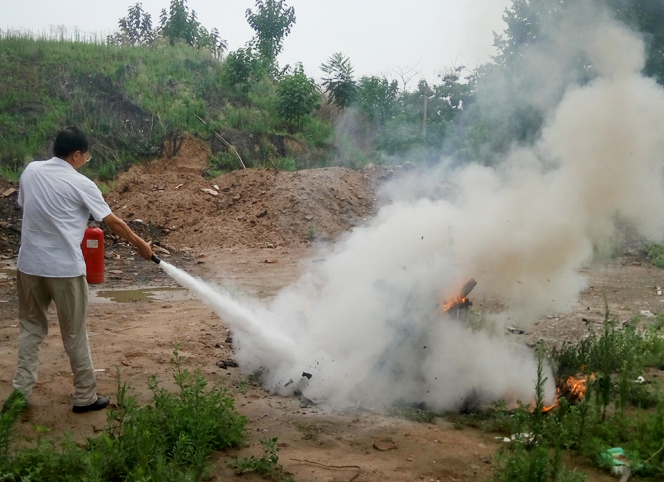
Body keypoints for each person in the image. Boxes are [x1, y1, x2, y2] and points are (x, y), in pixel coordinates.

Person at [13, 126, 153, 413]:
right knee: (74, 334)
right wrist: (140, 244)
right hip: (64, 269)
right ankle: (85, 397)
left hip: (29, 265)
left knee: (30, 329)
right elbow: (111, 222)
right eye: (86, 157)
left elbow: (28, 210)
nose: (86, 161)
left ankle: (20, 394)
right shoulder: (81, 183)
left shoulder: (31, 171)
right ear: (76, 155)